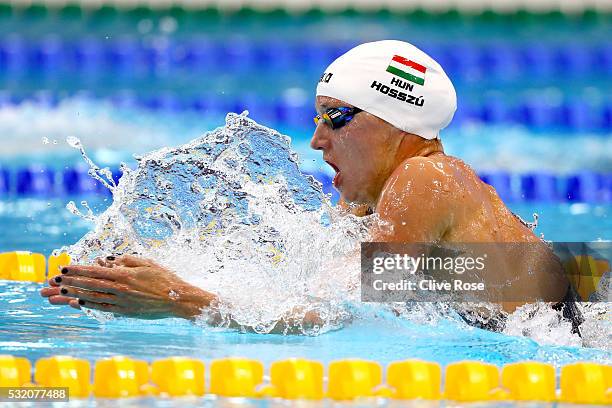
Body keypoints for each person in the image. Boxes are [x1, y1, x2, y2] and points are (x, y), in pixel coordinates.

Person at [40, 40, 581, 333]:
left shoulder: (426, 177)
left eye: (336, 117)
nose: (317, 140)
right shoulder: (370, 199)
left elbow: (348, 319)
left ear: (395, 122)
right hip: (573, 294)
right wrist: (152, 274)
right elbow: (320, 291)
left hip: (578, 328)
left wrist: (179, 299)